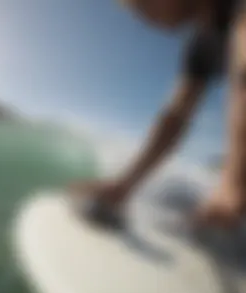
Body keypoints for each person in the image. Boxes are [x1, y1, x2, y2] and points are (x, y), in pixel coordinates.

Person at [73, 0, 246, 229]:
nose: (145, 20)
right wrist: (125, 185)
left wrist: (233, 183)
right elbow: (174, 117)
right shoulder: (200, 45)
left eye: (143, 6)